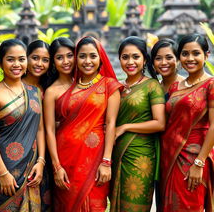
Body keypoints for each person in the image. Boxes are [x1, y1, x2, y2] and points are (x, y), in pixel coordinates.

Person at [45, 36, 121, 211]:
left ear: (101, 58)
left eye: (93, 56)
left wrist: (106, 162)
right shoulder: (59, 90)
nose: (88, 61)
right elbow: (49, 129)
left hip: (95, 160)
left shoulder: (109, 86)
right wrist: (56, 167)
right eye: (82, 56)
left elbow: (110, 124)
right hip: (65, 160)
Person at [0, 39, 45, 211]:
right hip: (5, 167)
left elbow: (40, 129)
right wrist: (2, 173)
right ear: (1, 63)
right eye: (10, 59)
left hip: (32, 168)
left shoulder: (34, 92)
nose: (17, 64)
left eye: (21, 59)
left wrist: (41, 161)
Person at [110, 36, 166, 212]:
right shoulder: (117, 87)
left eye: (136, 57)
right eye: (125, 57)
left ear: (144, 60)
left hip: (141, 156)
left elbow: (159, 123)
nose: (130, 62)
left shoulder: (152, 86)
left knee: (135, 203)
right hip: (117, 154)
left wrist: (125, 127)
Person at [160, 34, 214, 211]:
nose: (190, 58)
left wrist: (199, 163)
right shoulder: (175, 87)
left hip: (192, 159)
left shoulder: (210, 85)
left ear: (206, 55)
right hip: (168, 157)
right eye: (185, 54)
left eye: (195, 53)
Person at [22, 39, 51, 211]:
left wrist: (42, 159)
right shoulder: (14, 86)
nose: (39, 64)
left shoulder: (48, 88)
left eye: (45, 60)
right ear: (26, 58)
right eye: (35, 58)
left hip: (43, 154)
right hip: (17, 153)